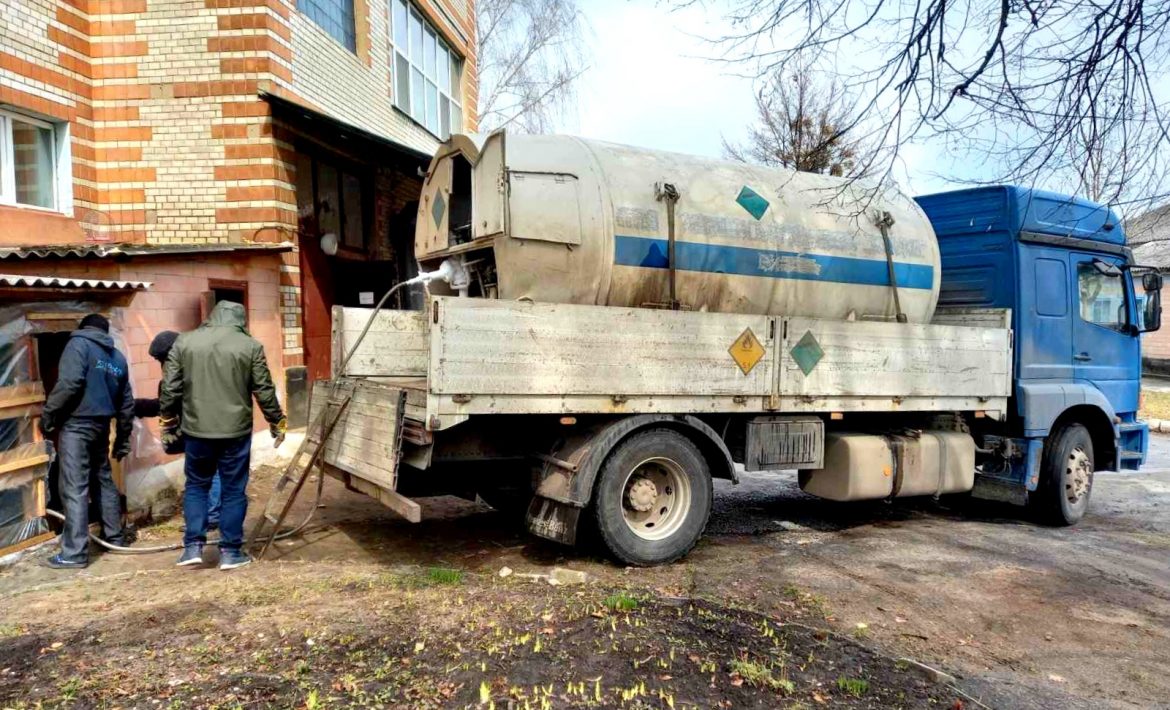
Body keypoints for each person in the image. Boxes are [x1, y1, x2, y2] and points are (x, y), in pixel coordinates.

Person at [160, 301, 286, 570]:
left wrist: (168, 422)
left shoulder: (184, 342)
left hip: (196, 430)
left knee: (196, 485)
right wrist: (277, 422)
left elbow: (170, 389)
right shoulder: (250, 346)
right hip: (235, 432)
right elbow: (264, 390)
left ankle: (192, 547)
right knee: (232, 490)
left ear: (212, 317)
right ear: (240, 320)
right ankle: (230, 552)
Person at [40, 313, 134, 569]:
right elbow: (126, 404)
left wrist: (48, 414)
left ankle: (73, 554)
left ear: (83, 328)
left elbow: (70, 383)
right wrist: (123, 439)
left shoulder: (78, 344)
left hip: (77, 425)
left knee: (74, 487)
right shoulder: (117, 358)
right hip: (102, 427)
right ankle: (115, 537)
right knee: (102, 480)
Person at [134, 331, 222, 530]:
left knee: (203, 472)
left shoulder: (180, 373)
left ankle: (209, 516)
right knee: (211, 470)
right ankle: (212, 514)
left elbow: (168, 405)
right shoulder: (202, 361)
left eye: (161, 360)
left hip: (201, 429)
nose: (162, 365)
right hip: (217, 425)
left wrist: (138, 406)